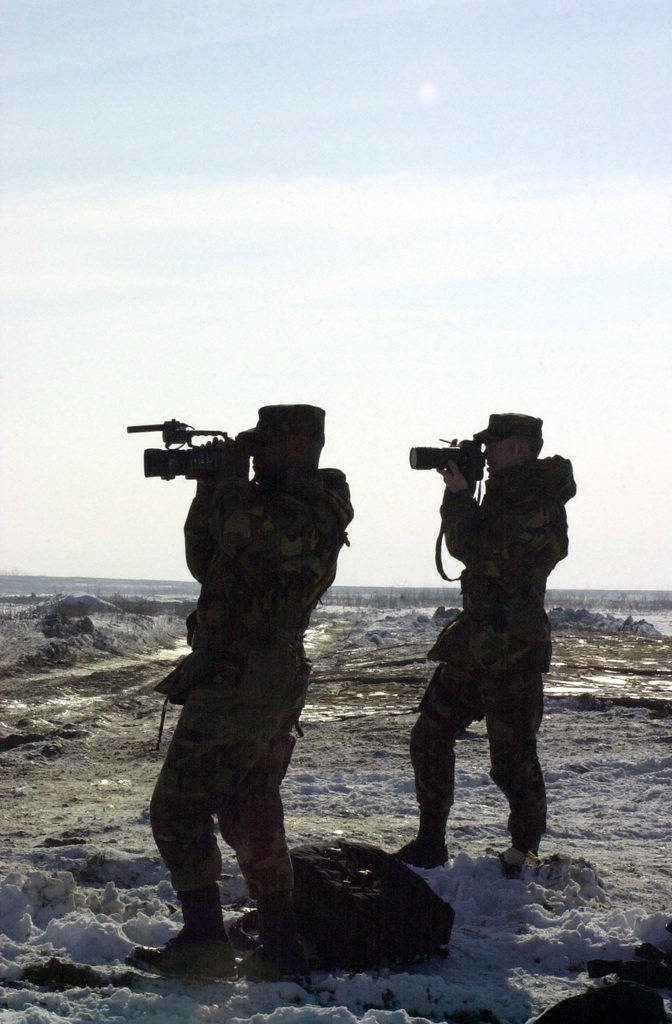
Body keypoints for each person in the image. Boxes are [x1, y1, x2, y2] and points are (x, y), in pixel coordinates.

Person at [129, 405, 353, 980]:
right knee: (249, 806)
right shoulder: (257, 501)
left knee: (178, 807)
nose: (252, 457)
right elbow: (209, 560)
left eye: (262, 447)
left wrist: (228, 482)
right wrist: (209, 489)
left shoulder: (313, 504)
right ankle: (280, 943)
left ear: (294, 447)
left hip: (249, 677)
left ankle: (206, 939)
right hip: (246, 673)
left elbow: (252, 538)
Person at [398, 413, 576, 876]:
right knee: (430, 736)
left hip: (511, 649)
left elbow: (474, 549)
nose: (488, 453)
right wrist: (463, 494)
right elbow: (472, 544)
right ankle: (430, 842)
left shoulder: (537, 502)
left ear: (521, 447)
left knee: (512, 760)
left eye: (495, 445)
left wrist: (459, 498)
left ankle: (524, 852)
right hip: (475, 644)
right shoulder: (505, 494)